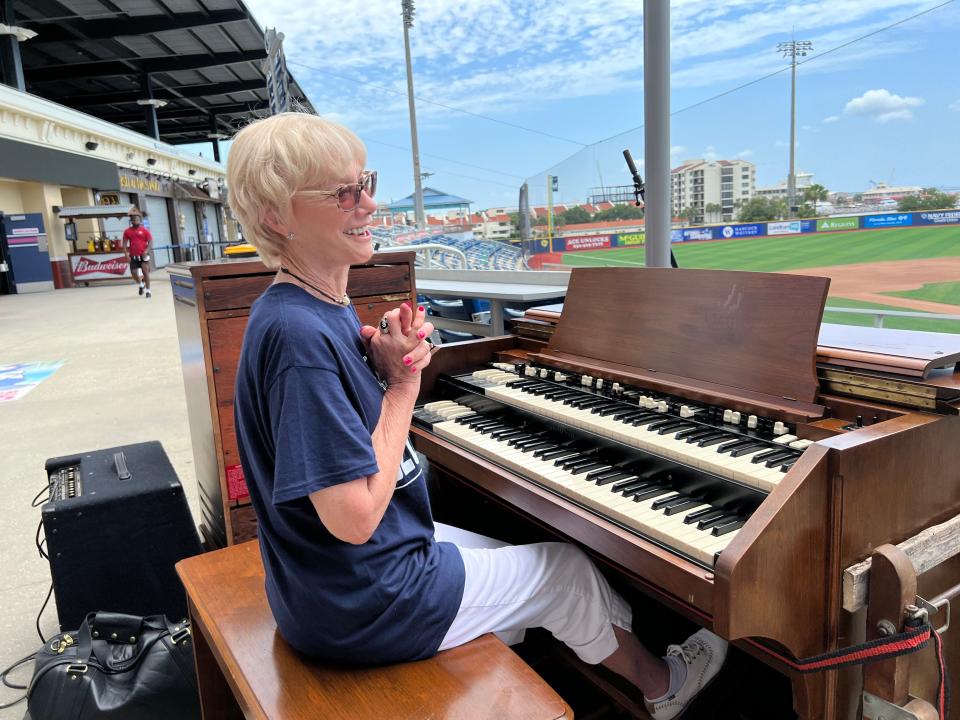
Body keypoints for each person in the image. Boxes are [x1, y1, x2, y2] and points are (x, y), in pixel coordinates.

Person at [229, 113, 726, 720]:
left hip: (331, 586)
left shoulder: (314, 307)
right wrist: (404, 385)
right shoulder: (299, 335)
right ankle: (664, 685)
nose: (369, 204)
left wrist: (385, 371)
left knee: (520, 546)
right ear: (278, 216)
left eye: (366, 182)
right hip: (361, 603)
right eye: (343, 193)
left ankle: (561, 661)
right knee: (566, 568)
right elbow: (354, 519)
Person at [122, 212, 152, 298]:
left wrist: (146, 250)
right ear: (131, 221)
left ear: (140, 221)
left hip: (143, 255)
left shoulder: (144, 230)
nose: (136, 221)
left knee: (145, 271)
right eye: (134, 220)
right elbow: (124, 244)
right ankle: (141, 284)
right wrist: (126, 255)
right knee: (134, 273)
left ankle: (148, 291)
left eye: (137, 220)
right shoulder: (127, 231)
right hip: (133, 256)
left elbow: (150, 242)